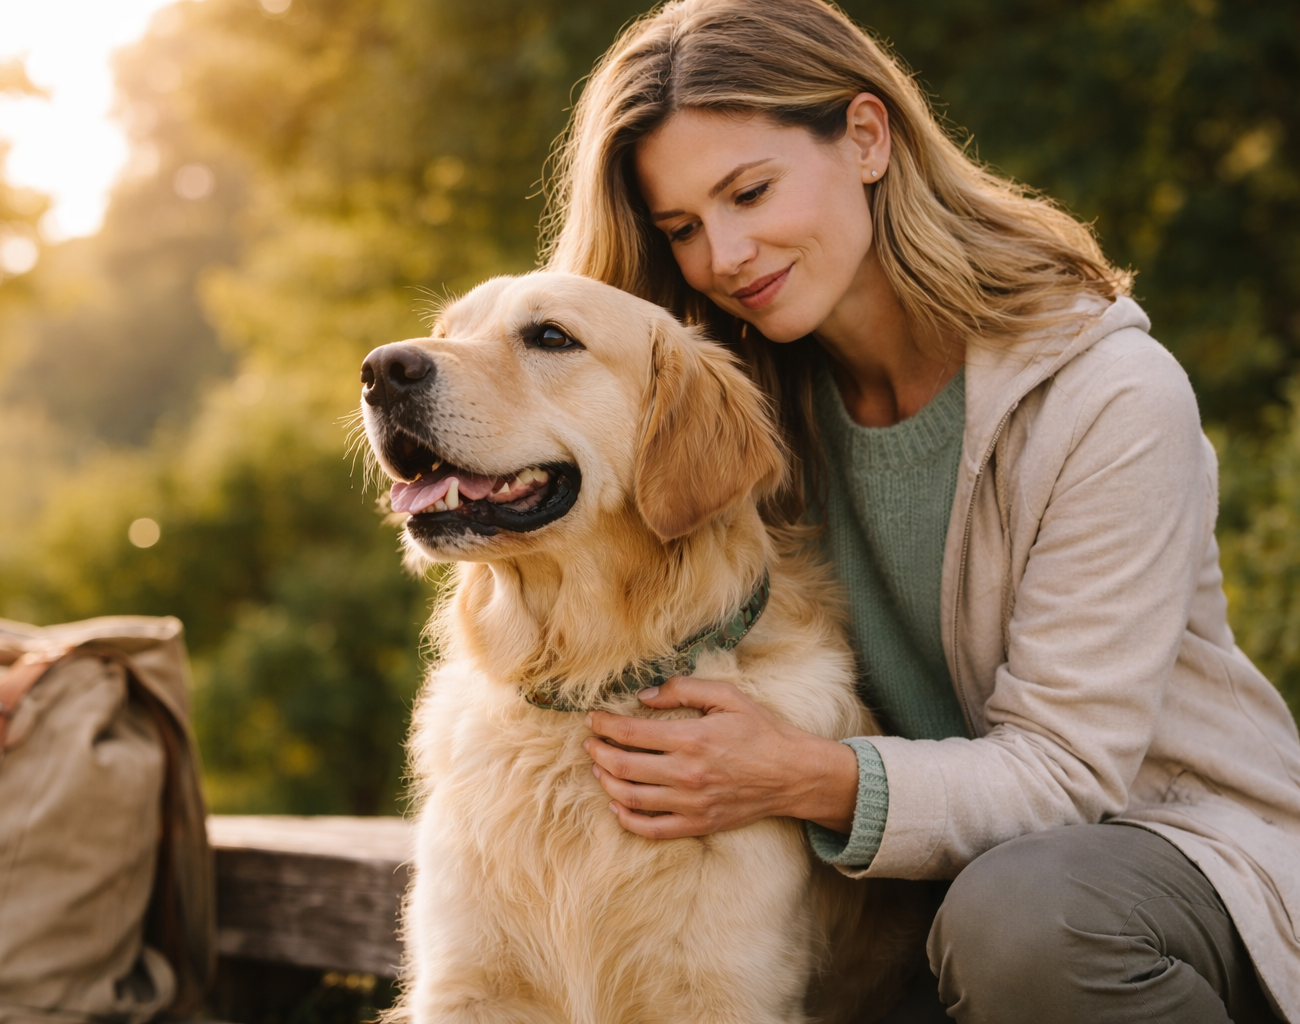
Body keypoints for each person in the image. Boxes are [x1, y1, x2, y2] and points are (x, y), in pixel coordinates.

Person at [544, 1, 1300, 1021]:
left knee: (1020, 918)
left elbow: (1068, 772)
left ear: (866, 136)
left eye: (750, 191)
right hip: (895, 893)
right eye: (682, 227)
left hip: (1158, 861)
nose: (723, 254)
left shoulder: (1110, 397)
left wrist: (800, 776)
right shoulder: (732, 416)